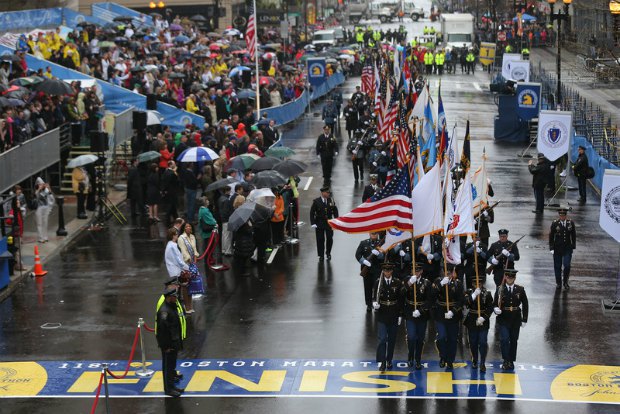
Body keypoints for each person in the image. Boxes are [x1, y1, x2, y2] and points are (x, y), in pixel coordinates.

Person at [493, 269, 529, 371]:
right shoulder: (500, 289)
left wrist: (524, 319)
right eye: (508, 277)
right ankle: (505, 360)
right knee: (504, 339)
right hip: (503, 318)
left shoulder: (520, 289)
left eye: (511, 278)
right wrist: (495, 309)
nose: (509, 279)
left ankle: (511, 360)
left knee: (513, 340)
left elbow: (525, 304)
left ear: (514, 278)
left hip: (515, 319)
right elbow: (494, 303)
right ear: (505, 278)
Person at [431, 263, 464, 369]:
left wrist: (453, 311)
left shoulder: (458, 284)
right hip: (440, 313)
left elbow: (461, 301)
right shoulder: (437, 281)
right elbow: (431, 295)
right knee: (441, 337)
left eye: (449, 273)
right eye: (446, 273)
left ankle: (450, 360)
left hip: (453, 315)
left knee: (453, 339)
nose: (448, 275)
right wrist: (441, 284)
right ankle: (442, 356)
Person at [372, 262, 403, 372]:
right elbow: (374, 296)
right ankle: (382, 362)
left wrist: (400, 315)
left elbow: (400, 300)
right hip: (382, 313)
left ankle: (389, 359)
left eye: (389, 271)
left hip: (393, 313)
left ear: (392, 271)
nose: (387, 273)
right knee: (382, 339)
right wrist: (374, 303)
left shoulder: (397, 282)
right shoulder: (378, 282)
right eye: (385, 271)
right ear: (383, 271)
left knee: (392, 339)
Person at [155, 288, 185, 397]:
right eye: (174, 296)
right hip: (168, 345)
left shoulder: (172, 307)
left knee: (172, 366)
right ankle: (168, 389)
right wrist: (165, 346)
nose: (176, 298)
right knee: (167, 367)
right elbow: (162, 331)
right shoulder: (164, 311)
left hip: (174, 343)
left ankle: (172, 386)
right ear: (169, 297)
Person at [402, 262, 432, 369]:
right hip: (410, 311)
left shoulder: (426, 283)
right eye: (414, 270)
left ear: (422, 271)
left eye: (418, 270)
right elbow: (401, 294)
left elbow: (429, 300)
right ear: (411, 271)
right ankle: (410, 356)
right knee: (411, 337)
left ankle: (418, 359)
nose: (416, 272)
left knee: (420, 338)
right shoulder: (407, 280)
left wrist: (421, 310)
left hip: (421, 314)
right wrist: (409, 283)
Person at [464, 283, 494, 372]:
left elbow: (490, 307)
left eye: (479, 283)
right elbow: (466, 303)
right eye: (475, 283)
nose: (478, 285)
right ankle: (475, 359)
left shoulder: (487, 293)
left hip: (483, 320)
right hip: (472, 319)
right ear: (473, 283)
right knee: (473, 342)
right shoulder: (469, 292)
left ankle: (482, 362)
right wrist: (473, 295)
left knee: (483, 342)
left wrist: (484, 317)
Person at [356, 232, 385, 312]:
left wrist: (380, 255)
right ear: (369, 234)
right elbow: (357, 255)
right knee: (367, 287)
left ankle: (376, 303)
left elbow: (385, 256)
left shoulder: (381, 243)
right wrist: (363, 261)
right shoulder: (363, 243)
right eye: (372, 234)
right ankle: (368, 304)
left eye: (375, 234)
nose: (374, 235)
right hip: (367, 270)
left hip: (377, 269)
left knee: (377, 287)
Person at [549, 207, 576, 289]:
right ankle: (558, 283)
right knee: (557, 266)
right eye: (561, 216)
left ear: (566, 216)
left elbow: (573, 235)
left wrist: (573, 245)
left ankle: (565, 282)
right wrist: (551, 248)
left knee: (567, 265)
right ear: (559, 216)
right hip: (557, 248)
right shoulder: (555, 223)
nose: (562, 217)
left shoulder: (570, 223)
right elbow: (551, 236)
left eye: (563, 216)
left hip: (567, 248)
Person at [164, 227, 190, 310]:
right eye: (176, 234)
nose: (177, 236)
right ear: (173, 236)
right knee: (176, 292)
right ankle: (177, 309)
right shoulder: (172, 246)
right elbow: (178, 261)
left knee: (176, 291)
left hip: (173, 271)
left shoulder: (170, 245)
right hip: (175, 272)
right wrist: (188, 268)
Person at [309, 187, 339, 261]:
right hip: (319, 223)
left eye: (329, 193)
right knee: (320, 239)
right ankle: (321, 255)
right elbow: (312, 212)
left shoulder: (331, 200)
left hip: (329, 223)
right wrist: (313, 223)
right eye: (327, 192)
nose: (328, 194)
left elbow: (335, 210)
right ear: (322, 193)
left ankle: (328, 253)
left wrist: (336, 219)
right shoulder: (316, 201)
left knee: (329, 238)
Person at [178, 223, 199, 312]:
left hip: (192, 263)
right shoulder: (181, 238)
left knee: (191, 284)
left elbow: (194, 250)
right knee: (185, 285)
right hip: (185, 264)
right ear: (183, 228)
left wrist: (195, 257)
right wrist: (190, 260)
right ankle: (187, 307)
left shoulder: (193, 237)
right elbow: (183, 251)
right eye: (186, 226)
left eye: (190, 226)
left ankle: (190, 306)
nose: (188, 228)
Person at [34, 177, 53, 243]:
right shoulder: (37, 191)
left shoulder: (46, 190)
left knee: (45, 222)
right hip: (39, 208)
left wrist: (49, 188)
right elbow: (36, 195)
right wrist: (39, 189)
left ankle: (45, 237)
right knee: (39, 223)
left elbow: (51, 197)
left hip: (46, 207)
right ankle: (40, 238)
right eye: (39, 184)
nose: (41, 185)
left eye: (42, 184)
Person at [161, 160, 180, 225]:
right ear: (171, 165)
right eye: (174, 164)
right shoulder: (171, 173)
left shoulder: (166, 172)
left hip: (168, 192)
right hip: (172, 192)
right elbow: (177, 181)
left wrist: (163, 190)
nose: (175, 165)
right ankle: (168, 220)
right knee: (170, 206)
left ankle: (176, 218)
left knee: (172, 206)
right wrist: (175, 172)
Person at [216, 186, 234, 256]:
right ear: (227, 191)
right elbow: (226, 212)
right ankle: (228, 251)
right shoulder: (226, 200)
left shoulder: (220, 198)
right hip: (226, 220)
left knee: (224, 235)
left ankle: (224, 249)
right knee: (228, 236)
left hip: (222, 219)